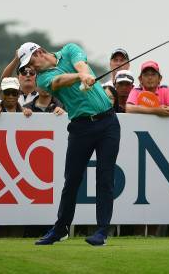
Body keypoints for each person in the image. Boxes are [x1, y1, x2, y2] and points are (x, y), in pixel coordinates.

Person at [16, 42, 120, 247]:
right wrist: (80, 77)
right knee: (72, 179)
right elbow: (58, 82)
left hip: (108, 123)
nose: (32, 68)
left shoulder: (70, 50)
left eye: (31, 62)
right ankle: (61, 228)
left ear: (40, 52)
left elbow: (80, 64)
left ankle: (101, 232)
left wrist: (84, 73)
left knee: (105, 176)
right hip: (81, 128)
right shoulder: (42, 79)